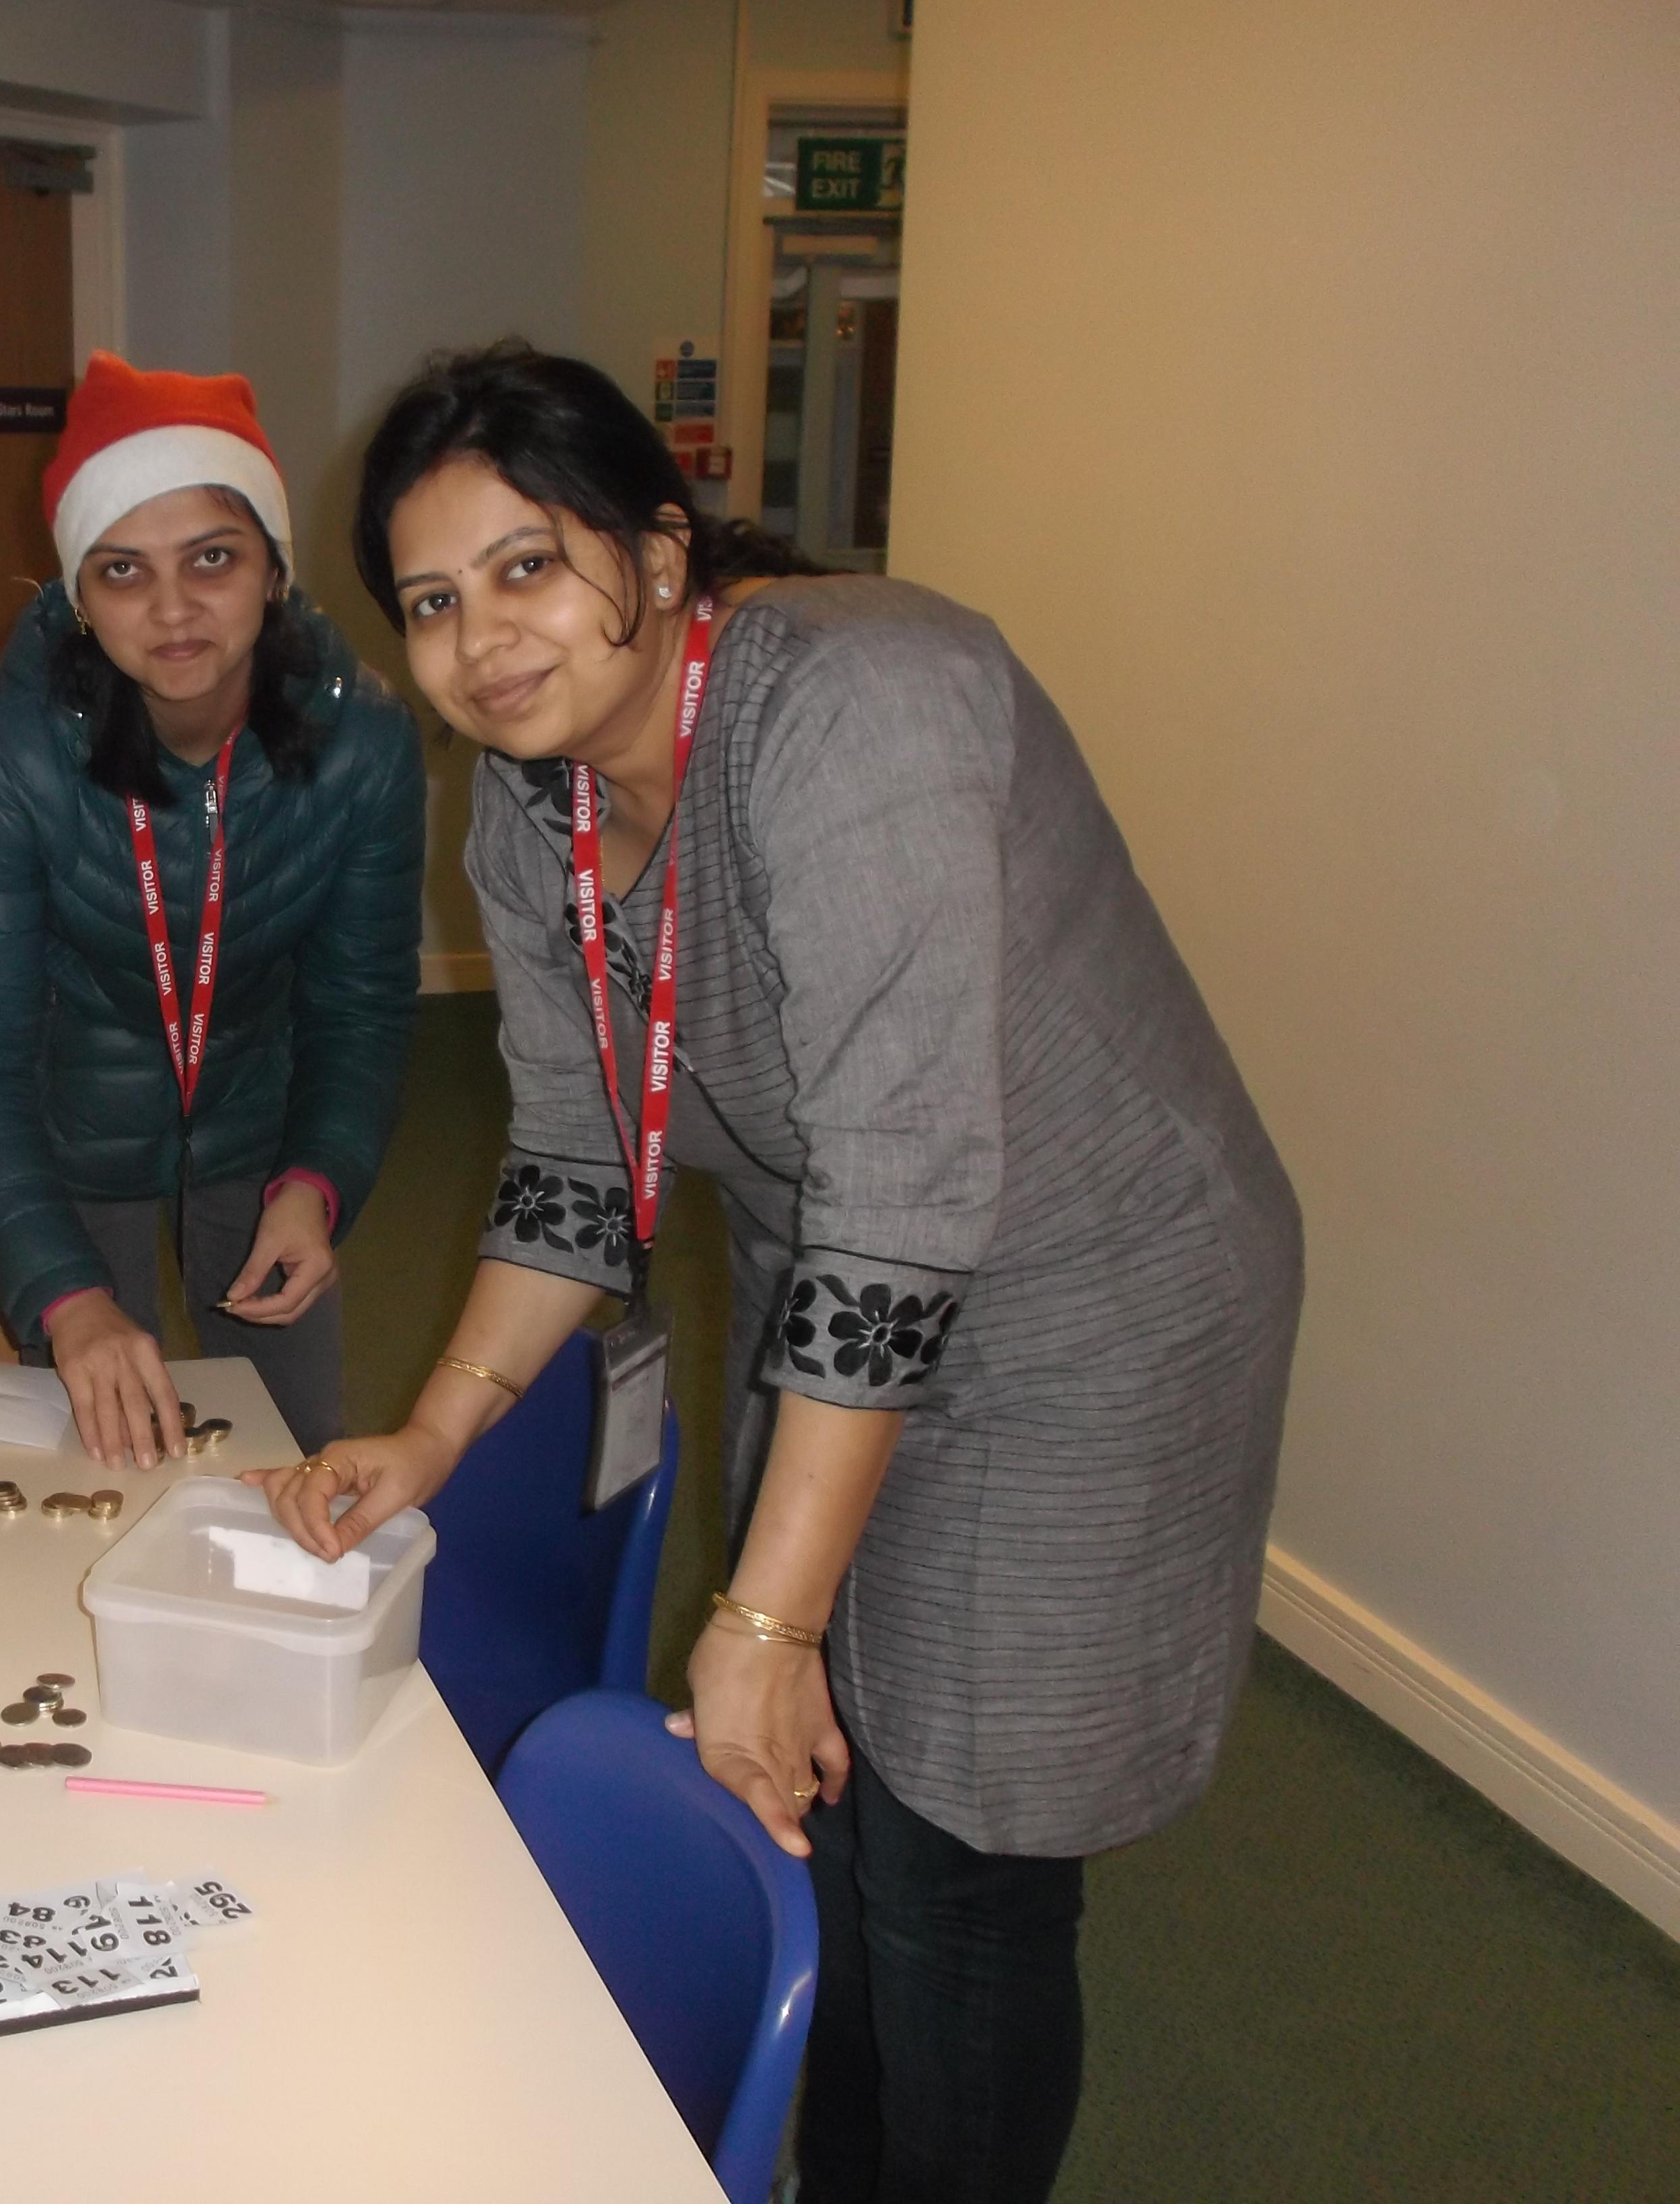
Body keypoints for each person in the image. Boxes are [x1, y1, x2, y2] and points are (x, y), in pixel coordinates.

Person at [250, 344, 1301, 2203]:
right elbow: (580, 1159)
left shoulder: (856, 708)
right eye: (430, 600)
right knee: (839, 1779)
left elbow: (909, 1180)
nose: (480, 638)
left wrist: (765, 1618)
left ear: (660, 553)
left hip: (1088, 1301)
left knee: (957, 1851)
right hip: (849, 1286)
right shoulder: (532, 806)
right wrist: (436, 1434)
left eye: (526, 564)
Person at [0, 353, 426, 1467]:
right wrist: (67, 1297)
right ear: (79, 599)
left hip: (259, 1116)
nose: (174, 608)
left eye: (213, 558)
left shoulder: (365, 746)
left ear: (274, 569)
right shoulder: (10, 750)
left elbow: (360, 1009)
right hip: (65, 1127)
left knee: (295, 1460)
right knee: (90, 1460)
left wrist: (319, 1182)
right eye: (122, 571)